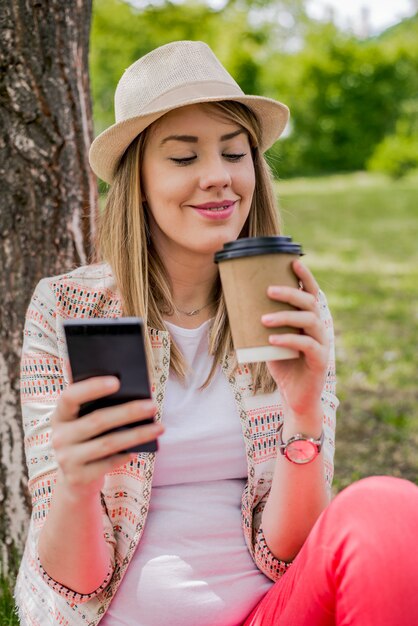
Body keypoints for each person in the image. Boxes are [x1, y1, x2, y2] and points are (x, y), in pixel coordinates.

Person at [14, 41, 418, 626]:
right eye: (183, 158)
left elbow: (291, 553)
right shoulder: (71, 308)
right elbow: (77, 584)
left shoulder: (292, 304)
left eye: (234, 153)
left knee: (389, 507)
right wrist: (75, 485)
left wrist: (303, 413)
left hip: (269, 613)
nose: (218, 178)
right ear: (139, 182)